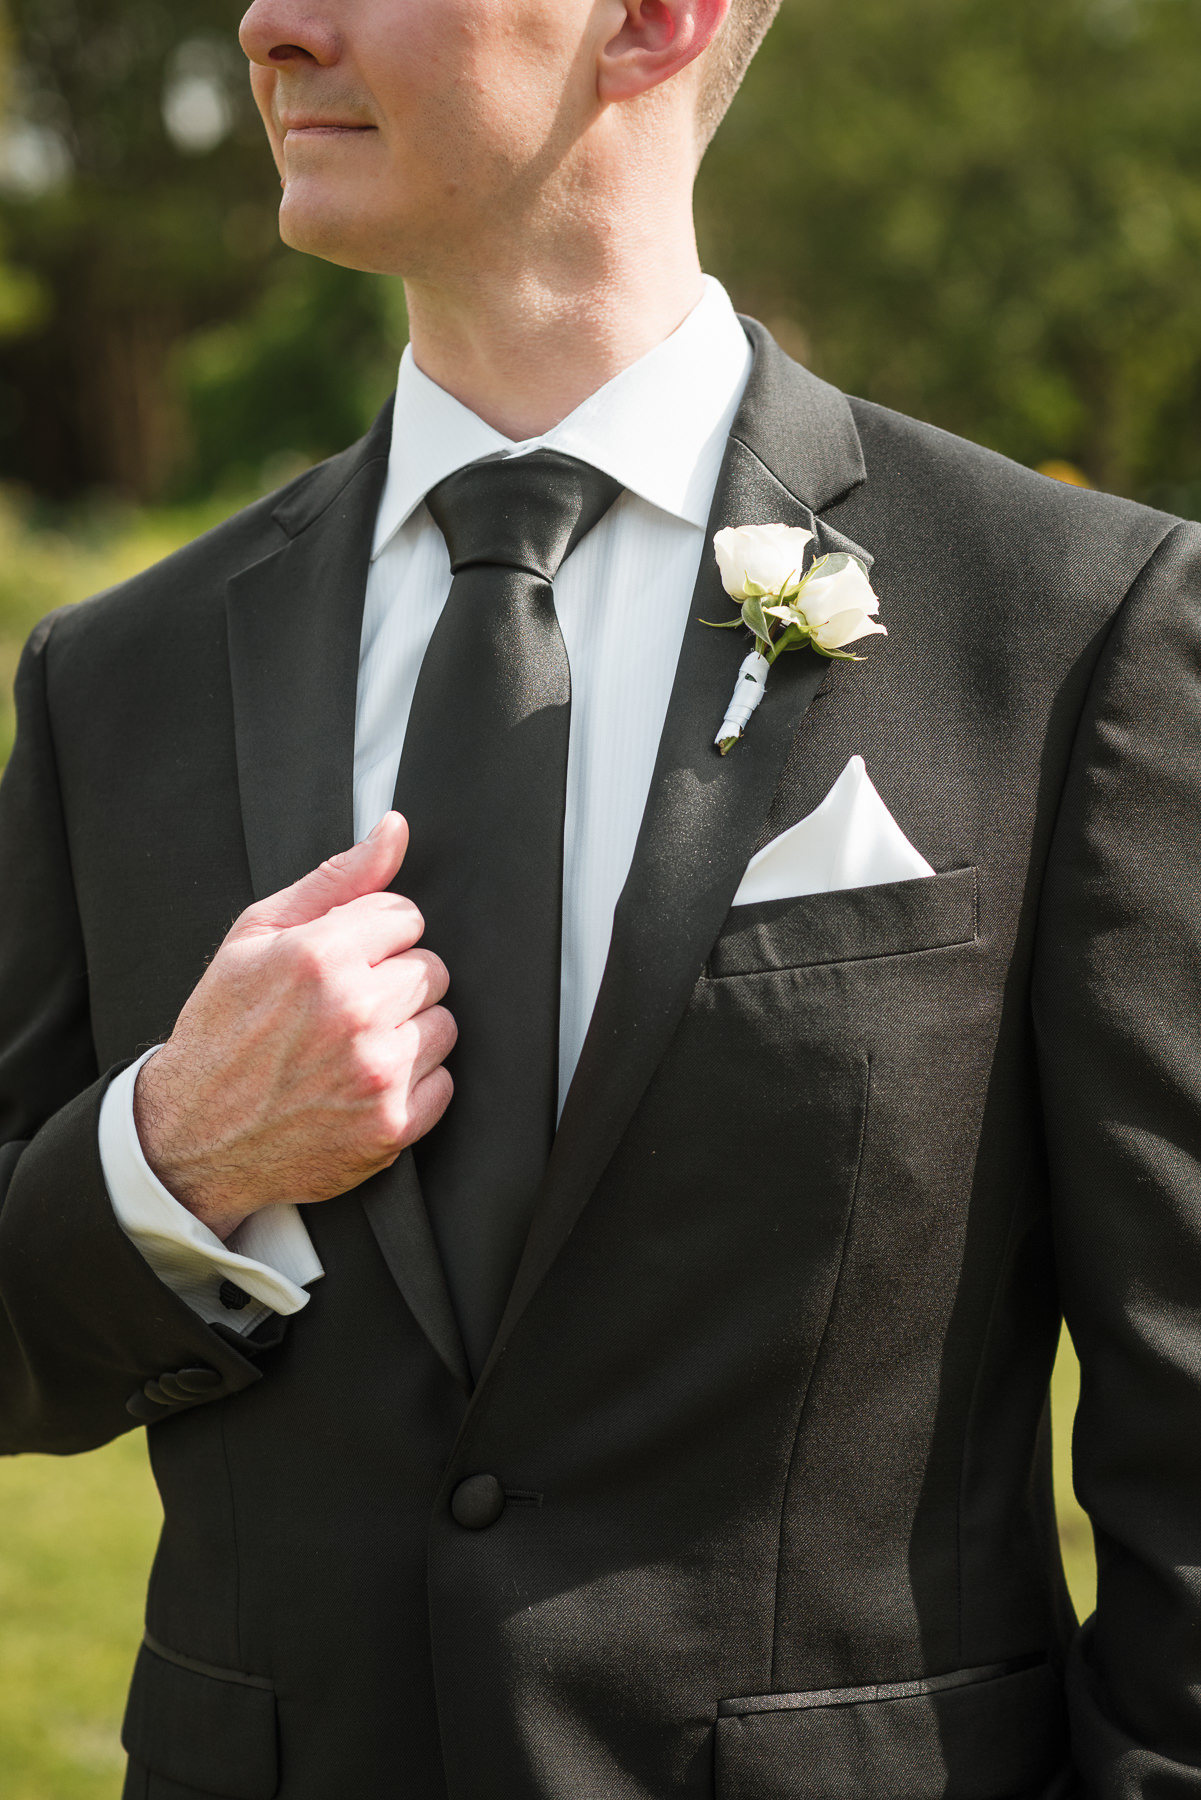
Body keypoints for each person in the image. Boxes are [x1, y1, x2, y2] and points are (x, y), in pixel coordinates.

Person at [1, 0, 1199, 1793]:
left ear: (652, 21)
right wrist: (177, 1158)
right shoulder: (118, 678)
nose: (269, 22)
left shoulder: (1071, 624)